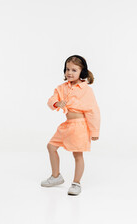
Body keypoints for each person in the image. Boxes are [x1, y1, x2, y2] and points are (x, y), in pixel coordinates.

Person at [41, 55, 100, 196]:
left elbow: (93, 111)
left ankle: (76, 183)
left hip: (80, 127)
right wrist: (56, 103)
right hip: (67, 125)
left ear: (82, 72)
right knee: (51, 146)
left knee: (77, 155)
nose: (69, 73)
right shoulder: (62, 88)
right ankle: (56, 176)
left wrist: (94, 131)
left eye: (74, 70)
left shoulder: (85, 89)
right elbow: (52, 99)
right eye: (67, 69)